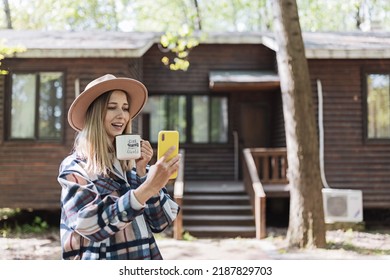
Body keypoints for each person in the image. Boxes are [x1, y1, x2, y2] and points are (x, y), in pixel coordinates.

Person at [57, 74, 180, 260]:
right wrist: (146, 189)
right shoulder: (75, 167)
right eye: (111, 107)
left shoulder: (133, 166)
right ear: (94, 114)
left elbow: (160, 223)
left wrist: (142, 174)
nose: (121, 115)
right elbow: (88, 224)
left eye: (125, 108)